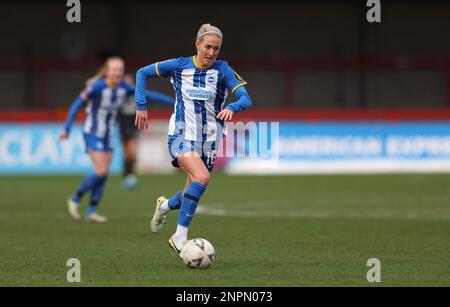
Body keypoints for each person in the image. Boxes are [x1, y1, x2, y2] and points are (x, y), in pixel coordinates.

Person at [134, 23, 252, 254]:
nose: (211, 52)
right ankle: (179, 237)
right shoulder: (179, 66)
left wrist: (234, 107)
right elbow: (142, 73)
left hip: (209, 139)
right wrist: (141, 106)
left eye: (216, 48)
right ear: (197, 44)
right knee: (202, 177)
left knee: (193, 189)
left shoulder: (223, 70)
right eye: (207, 46)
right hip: (180, 135)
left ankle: (165, 205)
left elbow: (245, 98)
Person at [60, 56, 171, 222]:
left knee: (103, 175)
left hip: (108, 134)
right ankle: (75, 198)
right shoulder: (96, 87)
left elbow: (148, 95)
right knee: (101, 171)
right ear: (107, 71)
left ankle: (91, 211)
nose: (118, 73)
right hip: (91, 132)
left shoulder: (124, 88)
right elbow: (77, 104)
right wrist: (67, 128)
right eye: (115, 69)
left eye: (120, 70)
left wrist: (175, 102)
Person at [118, 74, 174, 190]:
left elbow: (156, 97)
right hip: (122, 127)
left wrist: (174, 103)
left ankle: (130, 177)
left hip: (134, 127)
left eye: (130, 82)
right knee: (127, 154)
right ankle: (127, 176)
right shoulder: (118, 94)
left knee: (132, 152)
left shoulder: (137, 94)